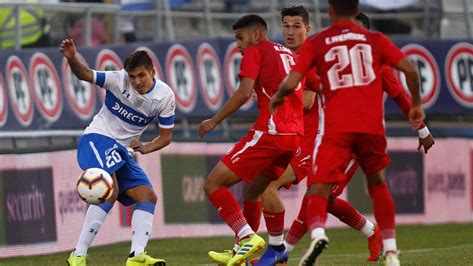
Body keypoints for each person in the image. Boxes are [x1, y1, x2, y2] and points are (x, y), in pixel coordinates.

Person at [270, 1, 425, 265]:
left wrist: (279, 96)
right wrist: (418, 109)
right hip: (370, 129)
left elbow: (299, 89)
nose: (290, 31)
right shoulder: (375, 41)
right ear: (356, 11)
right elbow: (410, 69)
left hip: (334, 131)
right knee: (376, 185)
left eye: (296, 26)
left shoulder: (319, 44)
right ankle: (389, 249)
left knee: (316, 190)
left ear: (329, 12)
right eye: (286, 26)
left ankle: (296, 243)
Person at [199, 14, 303, 266]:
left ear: (256, 35)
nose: (238, 44)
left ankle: (247, 236)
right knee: (253, 190)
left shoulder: (255, 51)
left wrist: (214, 120)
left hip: (271, 131)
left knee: (213, 184)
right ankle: (260, 251)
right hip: (294, 137)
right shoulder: (288, 54)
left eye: (240, 37)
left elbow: (243, 92)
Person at [60, 39, 175, 266]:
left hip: (121, 151)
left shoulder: (165, 97)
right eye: (132, 77)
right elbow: (85, 74)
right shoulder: (118, 80)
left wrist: (146, 147)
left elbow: (166, 136)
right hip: (97, 138)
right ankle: (78, 255)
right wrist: (73, 57)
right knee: (109, 188)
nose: (136, 81)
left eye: (141, 75)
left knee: (147, 196)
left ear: (153, 72)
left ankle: (136, 257)